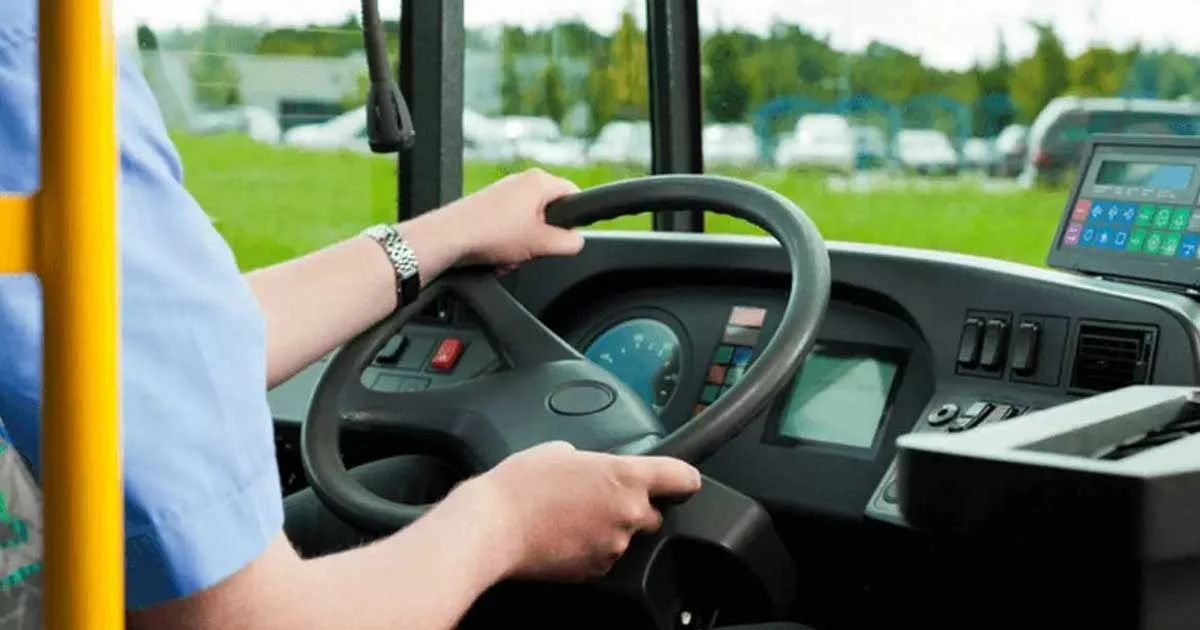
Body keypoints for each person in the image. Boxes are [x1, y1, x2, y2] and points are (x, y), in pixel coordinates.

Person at [0, 4, 702, 629]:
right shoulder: (41, 56)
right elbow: (247, 622)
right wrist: (508, 521)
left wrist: (446, 235)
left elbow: (141, 349)